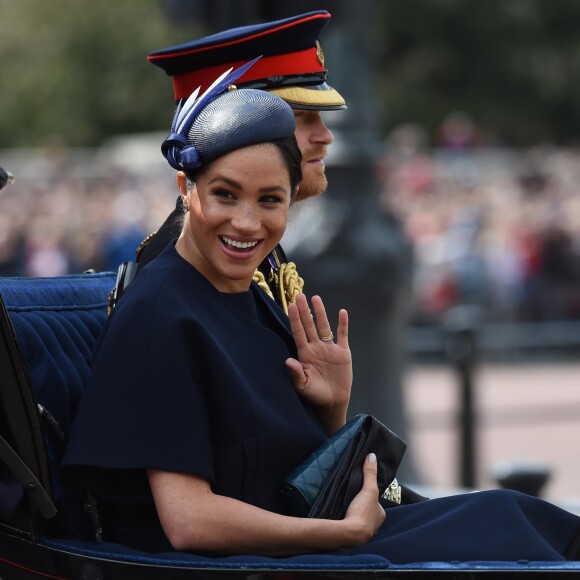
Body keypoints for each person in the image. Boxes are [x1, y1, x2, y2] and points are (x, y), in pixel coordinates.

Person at [63, 64, 580, 562]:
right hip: (270, 558)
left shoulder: (239, 287)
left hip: (310, 539)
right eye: (224, 195)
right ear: (185, 189)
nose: (246, 223)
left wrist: (332, 408)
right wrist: (338, 534)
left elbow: (266, 461)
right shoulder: (161, 311)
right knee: (517, 532)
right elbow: (188, 521)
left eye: (270, 200)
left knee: (521, 517)